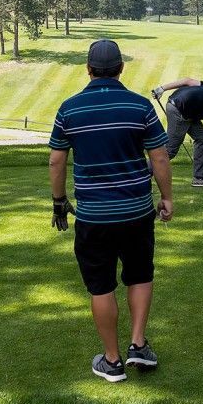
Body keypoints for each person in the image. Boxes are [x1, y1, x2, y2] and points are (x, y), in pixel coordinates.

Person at [49, 39, 174, 383]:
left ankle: (112, 360)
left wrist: (59, 202)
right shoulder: (140, 107)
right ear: (121, 68)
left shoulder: (69, 109)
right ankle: (137, 344)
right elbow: (159, 156)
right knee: (140, 274)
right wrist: (167, 198)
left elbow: (57, 159)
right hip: (136, 212)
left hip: (93, 218)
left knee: (101, 286)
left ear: (88, 69)